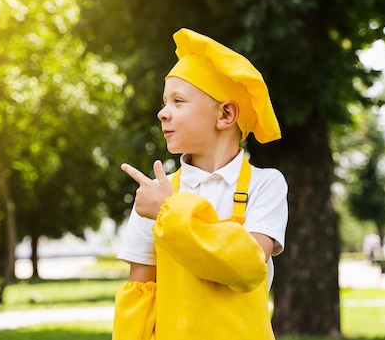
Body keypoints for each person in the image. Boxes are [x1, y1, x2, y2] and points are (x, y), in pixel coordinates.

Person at [113, 28, 288, 340]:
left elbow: (247, 265)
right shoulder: (154, 195)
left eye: (178, 101)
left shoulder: (266, 185)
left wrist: (169, 210)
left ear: (225, 114)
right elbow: (140, 292)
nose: (162, 113)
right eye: (164, 102)